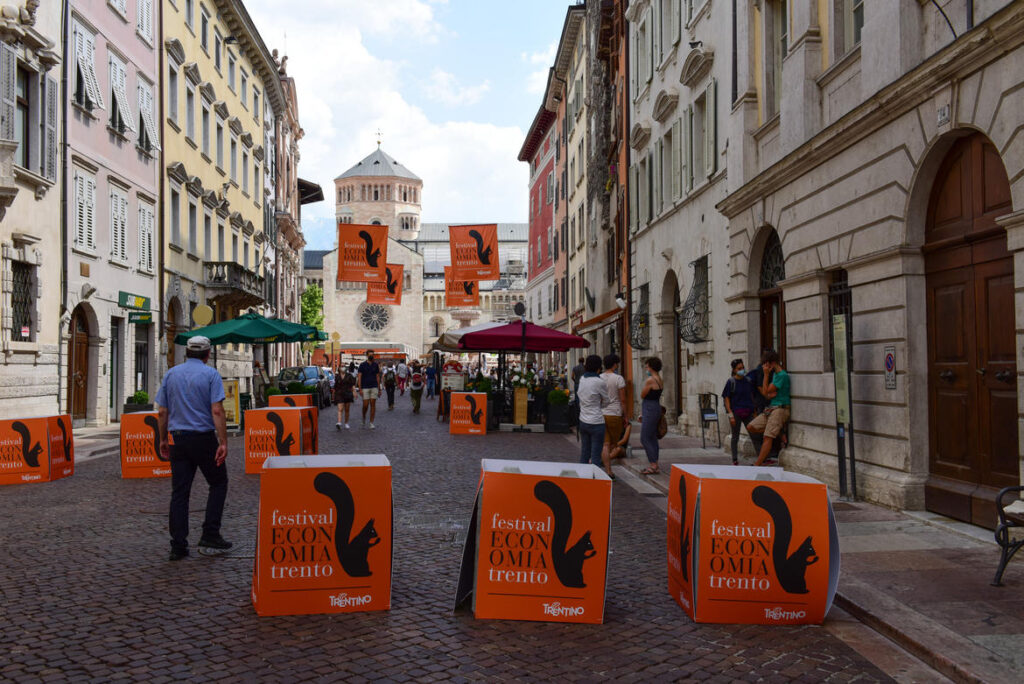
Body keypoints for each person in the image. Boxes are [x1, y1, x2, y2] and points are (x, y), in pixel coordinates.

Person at [155, 336, 231, 561]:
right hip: (203, 438)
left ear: (187, 353)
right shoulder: (211, 375)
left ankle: (178, 545)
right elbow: (217, 411)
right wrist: (223, 441)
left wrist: (162, 439)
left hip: (178, 439)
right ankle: (210, 532)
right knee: (218, 482)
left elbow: (161, 412)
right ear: (207, 354)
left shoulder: (171, 374)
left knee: (179, 492)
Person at [747, 350, 790, 466]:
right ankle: (779, 433)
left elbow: (766, 391)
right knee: (751, 426)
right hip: (771, 408)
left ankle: (757, 465)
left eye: (766, 364)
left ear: (772, 363)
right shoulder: (775, 374)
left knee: (767, 437)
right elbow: (767, 394)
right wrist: (768, 392)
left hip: (780, 409)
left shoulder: (782, 375)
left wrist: (766, 375)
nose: (764, 367)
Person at [576, 354, 611, 472]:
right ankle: (594, 478)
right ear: (598, 367)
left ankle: (583, 476)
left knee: (585, 452)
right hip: (596, 421)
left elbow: (580, 395)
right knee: (596, 454)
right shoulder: (599, 382)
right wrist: (599, 405)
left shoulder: (582, 379)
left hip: (583, 420)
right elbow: (606, 400)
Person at [722, 359, 757, 465]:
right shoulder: (731, 382)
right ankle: (734, 459)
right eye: (739, 368)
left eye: (743, 368)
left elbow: (752, 396)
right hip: (736, 413)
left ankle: (761, 457)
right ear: (734, 370)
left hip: (748, 412)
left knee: (755, 435)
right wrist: (730, 415)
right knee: (735, 436)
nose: (742, 370)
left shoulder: (748, 381)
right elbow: (726, 399)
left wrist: (754, 411)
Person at [600, 353, 627, 479]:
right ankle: (608, 468)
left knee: (605, 444)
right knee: (613, 444)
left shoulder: (599, 378)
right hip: (615, 413)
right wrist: (625, 416)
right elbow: (623, 400)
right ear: (615, 364)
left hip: (602, 413)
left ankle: (608, 470)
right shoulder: (618, 379)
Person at [639, 356, 664, 475]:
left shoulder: (650, 380)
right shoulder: (659, 378)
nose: (646, 368)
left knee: (644, 437)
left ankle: (653, 464)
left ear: (651, 367)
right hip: (655, 407)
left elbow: (643, 395)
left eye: (647, 366)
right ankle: (655, 464)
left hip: (650, 408)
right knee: (652, 437)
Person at [357, 352, 382, 428]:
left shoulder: (375, 365)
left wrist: (379, 389)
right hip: (365, 387)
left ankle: (371, 422)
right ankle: (363, 418)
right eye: (370, 354)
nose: (371, 356)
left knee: (373, 404)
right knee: (365, 405)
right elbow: (359, 377)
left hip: (374, 386)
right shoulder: (362, 365)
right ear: (367, 356)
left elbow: (378, 377)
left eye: (372, 354)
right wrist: (360, 388)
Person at [335, 362, 357, 429]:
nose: (343, 367)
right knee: (340, 408)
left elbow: (353, 384)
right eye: (342, 366)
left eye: (344, 366)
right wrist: (334, 394)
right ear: (339, 368)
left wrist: (354, 392)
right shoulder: (337, 376)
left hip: (348, 394)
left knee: (347, 410)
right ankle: (339, 422)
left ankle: (346, 423)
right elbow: (335, 386)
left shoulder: (349, 376)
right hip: (339, 394)